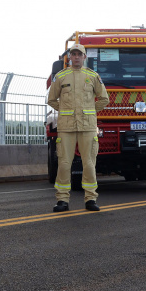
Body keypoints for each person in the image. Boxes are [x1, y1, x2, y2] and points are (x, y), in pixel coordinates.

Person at [48, 43, 110, 212]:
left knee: (89, 163)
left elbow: (104, 99)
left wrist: (90, 112)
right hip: (66, 127)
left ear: (84, 57)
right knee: (64, 163)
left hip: (87, 126)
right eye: (73, 54)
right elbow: (51, 99)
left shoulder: (92, 76)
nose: (76, 57)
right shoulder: (61, 76)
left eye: (79, 54)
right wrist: (67, 112)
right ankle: (62, 200)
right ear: (70, 57)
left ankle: (90, 198)